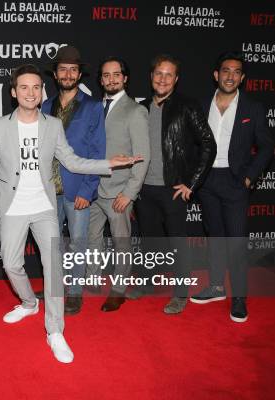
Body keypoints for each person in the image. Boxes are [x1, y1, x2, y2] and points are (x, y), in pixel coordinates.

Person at [0, 64, 141, 363]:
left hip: (44, 206)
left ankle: (55, 331)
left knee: (54, 267)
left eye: (36, 87)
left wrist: (109, 163)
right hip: (12, 206)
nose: (31, 92)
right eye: (24, 87)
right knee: (11, 264)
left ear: (41, 91)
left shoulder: (52, 126)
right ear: (13, 92)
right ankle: (30, 302)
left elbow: (73, 161)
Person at [191, 51, 273, 323]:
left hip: (236, 182)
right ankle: (215, 286)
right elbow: (191, 144)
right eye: (226, 70)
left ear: (242, 77)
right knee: (215, 236)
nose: (230, 76)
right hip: (207, 181)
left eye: (236, 72)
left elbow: (266, 147)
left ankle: (239, 296)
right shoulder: (202, 105)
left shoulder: (253, 108)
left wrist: (249, 177)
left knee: (236, 241)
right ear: (217, 74)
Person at [135, 54, 216, 314]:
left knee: (177, 243)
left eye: (169, 74)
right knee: (149, 240)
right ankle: (148, 283)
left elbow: (208, 145)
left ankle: (181, 293)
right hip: (145, 188)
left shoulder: (187, 106)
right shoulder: (143, 108)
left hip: (173, 189)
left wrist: (191, 183)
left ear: (176, 79)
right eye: (159, 73)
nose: (163, 79)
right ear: (151, 76)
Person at [40, 46, 106, 315]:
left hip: (77, 188)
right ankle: (54, 288)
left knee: (78, 242)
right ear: (55, 75)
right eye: (63, 69)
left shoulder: (92, 107)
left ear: (79, 74)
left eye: (73, 69)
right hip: (48, 190)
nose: (68, 74)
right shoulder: (44, 106)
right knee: (52, 242)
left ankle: (75, 292)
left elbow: (97, 151)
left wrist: (88, 190)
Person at [87, 56, 149, 312]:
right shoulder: (93, 108)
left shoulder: (136, 111)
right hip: (92, 188)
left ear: (125, 78)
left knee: (121, 242)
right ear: (101, 80)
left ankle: (119, 288)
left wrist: (130, 193)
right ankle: (92, 279)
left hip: (118, 192)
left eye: (116, 74)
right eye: (106, 75)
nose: (111, 79)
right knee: (92, 239)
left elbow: (143, 156)